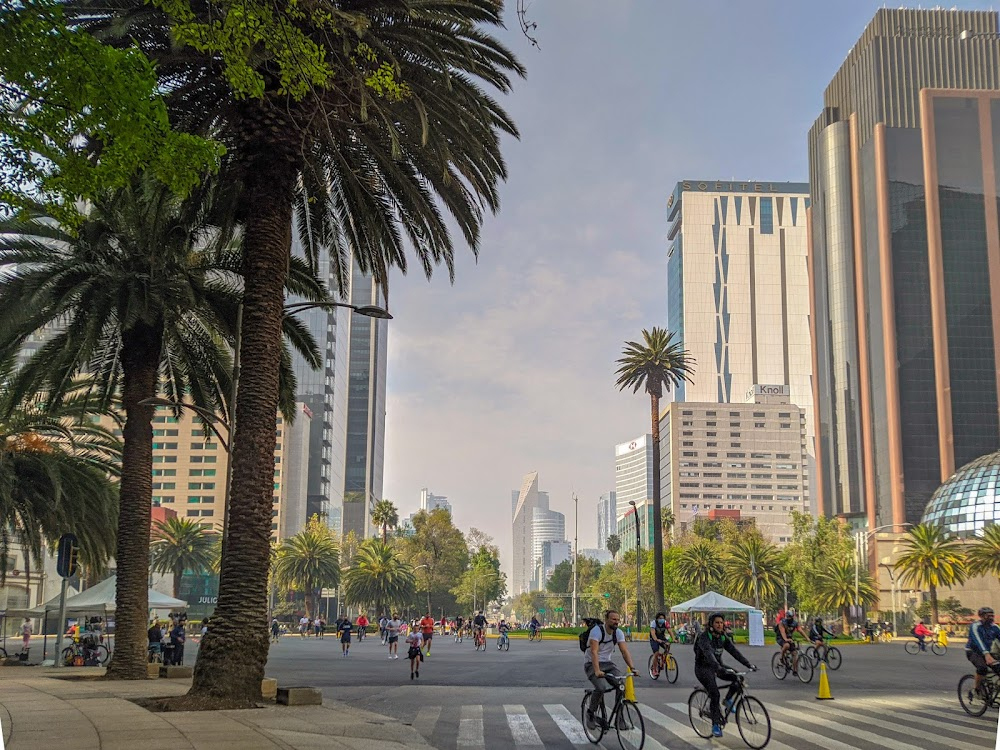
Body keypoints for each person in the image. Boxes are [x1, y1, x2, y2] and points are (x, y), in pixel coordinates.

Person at [695, 612, 756, 738]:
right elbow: (708, 653)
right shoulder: (704, 637)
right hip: (703, 669)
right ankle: (715, 725)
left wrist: (748, 664)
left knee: (738, 678)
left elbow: (734, 652)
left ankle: (728, 700)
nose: (720, 625)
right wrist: (717, 667)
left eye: (721, 623)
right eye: (717, 622)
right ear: (711, 624)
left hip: (718, 666)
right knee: (714, 693)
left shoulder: (722, 637)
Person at [583, 610, 638, 731]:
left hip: (608, 664)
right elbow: (594, 652)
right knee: (601, 687)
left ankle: (619, 718)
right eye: (613, 619)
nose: (616, 622)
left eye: (618, 620)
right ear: (606, 620)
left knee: (621, 685)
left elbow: (624, 651)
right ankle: (590, 713)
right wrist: (597, 671)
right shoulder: (596, 631)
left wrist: (633, 668)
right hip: (592, 664)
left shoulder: (618, 633)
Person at [967, 607, 1000, 695]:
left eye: (992, 616)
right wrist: (986, 654)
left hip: (988, 652)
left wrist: (988, 654)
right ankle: (976, 690)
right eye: (988, 616)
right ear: (981, 616)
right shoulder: (975, 626)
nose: (990, 618)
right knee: (982, 668)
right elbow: (978, 640)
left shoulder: (995, 627)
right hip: (973, 652)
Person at [775, 609, 808, 676]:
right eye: (788, 617)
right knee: (787, 645)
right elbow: (782, 632)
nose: (789, 618)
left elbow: (800, 630)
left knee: (794, 653)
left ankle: (795, 670)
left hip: (789, 638)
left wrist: (807, 638)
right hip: (780, 637)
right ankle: (781, 658)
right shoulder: (782, 622)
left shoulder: (795, 623)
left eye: (790, 617)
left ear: (793, 616)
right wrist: (785, 639)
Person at [648, 612, 672, 677]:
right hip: (654, 639)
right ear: (657, 619)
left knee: (668, 645)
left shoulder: (665, 623)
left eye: (663, 618)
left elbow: (670, 631)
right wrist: (656, 639)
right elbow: (652, 633)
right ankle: (654, 670)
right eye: (660, 618)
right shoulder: (653, 623)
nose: (662, 619)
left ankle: (663, 661)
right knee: (656, 653)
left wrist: (674, 638)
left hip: (661, 637)